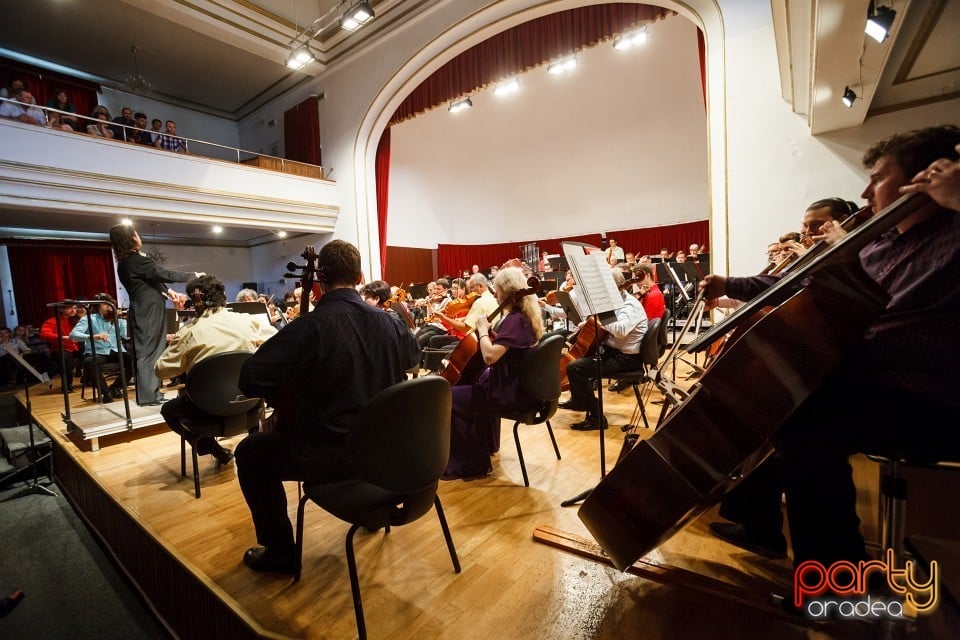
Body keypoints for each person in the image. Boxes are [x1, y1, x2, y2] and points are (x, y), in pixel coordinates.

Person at [707, 126, 960, 574]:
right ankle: (763, 522)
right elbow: (805, 285)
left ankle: (834, 575)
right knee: (787, 400)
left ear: (924, 178)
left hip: (928, 397)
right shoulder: (879, 244)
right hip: (862, 383)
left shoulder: (952, 233)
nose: (865, 191)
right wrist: (732, 285)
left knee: (806, 417)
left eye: (878, 177)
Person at [234, 240, 419, 575]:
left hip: (333, 458)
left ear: (319, 278)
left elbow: (249, 378)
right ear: (360, 276)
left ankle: (280, 553)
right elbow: (412, 358)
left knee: (250, 453)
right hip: (385, 453)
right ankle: (372, 517)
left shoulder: (310, 327)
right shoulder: (390, 322)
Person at [156, 275, 271, 466]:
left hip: (205, 412)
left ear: (194, 301)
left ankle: (214, 450)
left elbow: (161, 371)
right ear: (223, 295)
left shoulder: (188, 331)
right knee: (256, 388)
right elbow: (275, 339)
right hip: (249, 405)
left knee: (168, 410)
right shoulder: (247, 321)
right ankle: (255, 449)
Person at [445, 266, 543, 480]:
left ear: (506, 292)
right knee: (477, 384)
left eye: (497, 290)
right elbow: (511, 350)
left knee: (448, 398)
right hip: (519, 387)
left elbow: (490, 356)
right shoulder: (526, 316)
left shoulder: (514, 320)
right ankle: (487, 445)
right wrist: (492, 335)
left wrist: (481, 331)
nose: (495, 295)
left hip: (508, 393)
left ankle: (472, 464)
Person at [109, 224, 200, 406]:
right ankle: (149, 396)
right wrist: (193, 276)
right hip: (147, 311)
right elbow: (162, 273)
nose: (139, 236)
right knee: (148, 352)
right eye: (136, 234)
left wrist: (169, 293)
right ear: (131, 239)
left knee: (153, 351)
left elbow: (150, 282)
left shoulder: (127, 262)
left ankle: (152, 395)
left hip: (145, 309)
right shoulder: (136, 261)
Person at [560, 268, 648, 430]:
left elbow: (621, 331)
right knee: (580, 360)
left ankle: (596, 417)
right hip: (614, 352)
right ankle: (579, 400)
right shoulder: (616, 303)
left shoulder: (630, 305)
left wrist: (601, 315)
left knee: (575, 367)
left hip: (627, 359)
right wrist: (588, 323)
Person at [69, 294, 132, 402]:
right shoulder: (89, 318)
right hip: (97, 352)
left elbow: (126, 336)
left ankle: (116, 387)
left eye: (110, 304)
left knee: (135, 360)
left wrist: (121, 321)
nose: (109, 306)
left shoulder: (116, 318)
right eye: (105, 304)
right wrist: (92, 337)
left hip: (116, 351)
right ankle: (106, 392)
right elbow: (73, 335)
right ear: (98, 306)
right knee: (89, 362)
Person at [40, 302, 83, 392]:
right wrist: (61, 337)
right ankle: (67, 384)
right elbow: (44, 334)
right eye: (69, 308)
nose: (73, 310)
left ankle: (90, 380)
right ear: (61, 309)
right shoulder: (52, 321)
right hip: (62, 349)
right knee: (65, 358)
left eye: (75, 308)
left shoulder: (79, 320)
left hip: (77, 348)